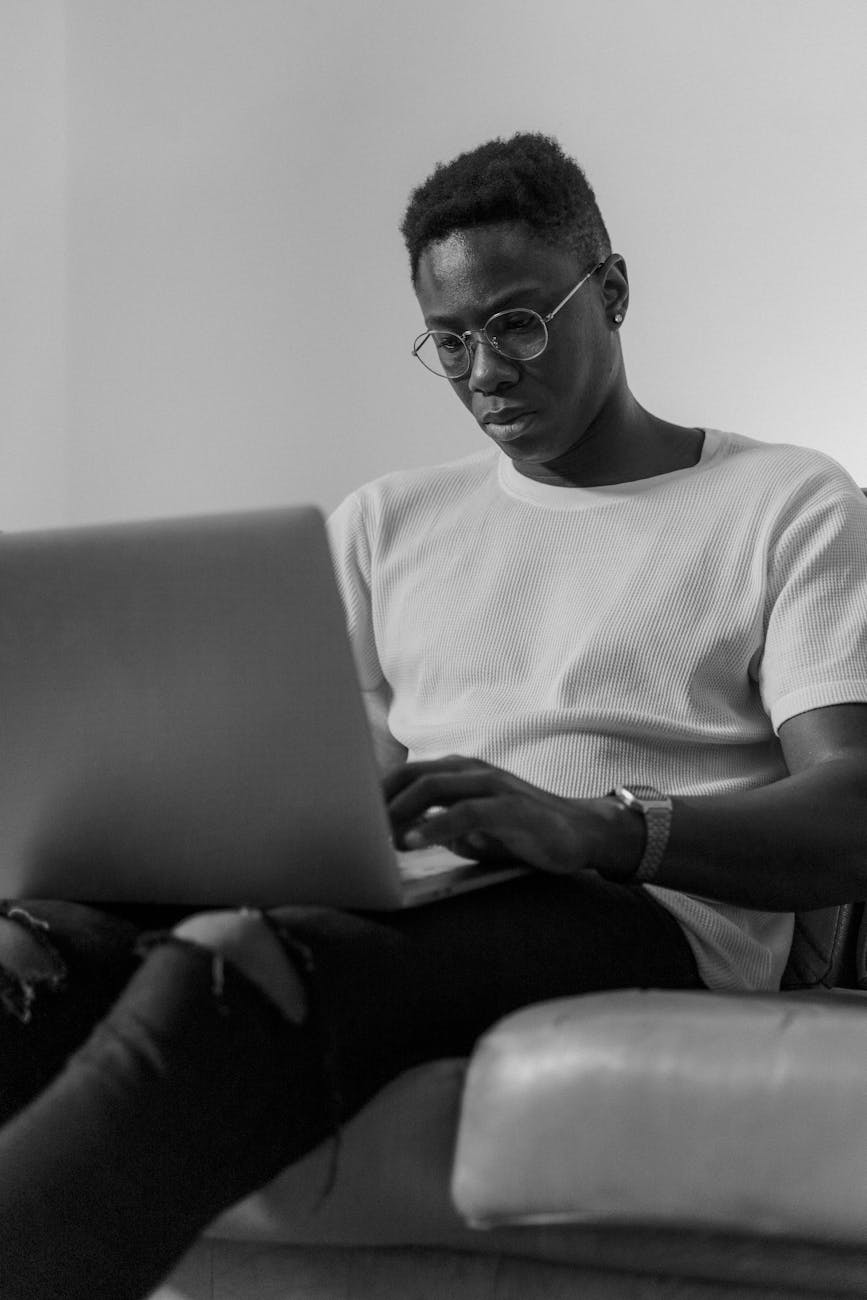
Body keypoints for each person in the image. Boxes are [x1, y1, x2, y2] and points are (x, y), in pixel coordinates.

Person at [2, 130, 867, 1299]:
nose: (484, 371)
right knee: (28, 953)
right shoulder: (389, 522)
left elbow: (852, 809)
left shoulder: (782, 502)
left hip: (644, 907)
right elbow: (328, 789)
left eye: (517, 323)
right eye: (449, 341)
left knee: (245, 969)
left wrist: (598, 827)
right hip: (426, 885)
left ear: (610, 290)